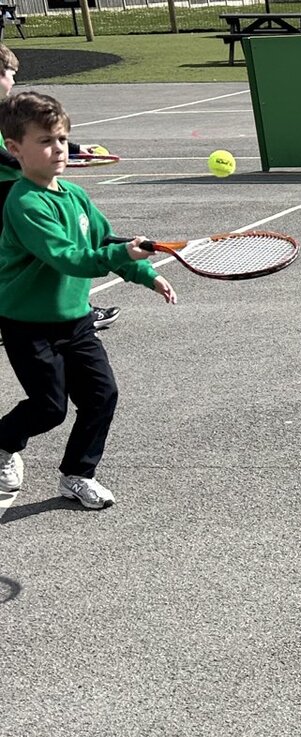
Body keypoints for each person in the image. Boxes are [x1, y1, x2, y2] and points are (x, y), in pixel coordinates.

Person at [0, 91, 176, 507]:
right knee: (49, 408)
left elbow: (103, 241)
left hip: (75, 320)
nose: (58, 148)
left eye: (62, 139)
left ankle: (78, 474)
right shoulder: (25, 203)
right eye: (45, 141)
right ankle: (4, 443)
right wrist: (122, 254)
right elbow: (69, 258)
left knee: (101, 395)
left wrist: (146, 274)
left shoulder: (76, 196)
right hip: (28, 325)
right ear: (15, 149)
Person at [0, 45, 120, 334]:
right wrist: (30, 163)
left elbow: (37, 134)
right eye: (10, 73)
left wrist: (76, 149)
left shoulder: (5, 112)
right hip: (7, 191)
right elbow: (6, 155)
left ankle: (72, 309)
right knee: (45, 253)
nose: (14, 80)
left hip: (12, 186)